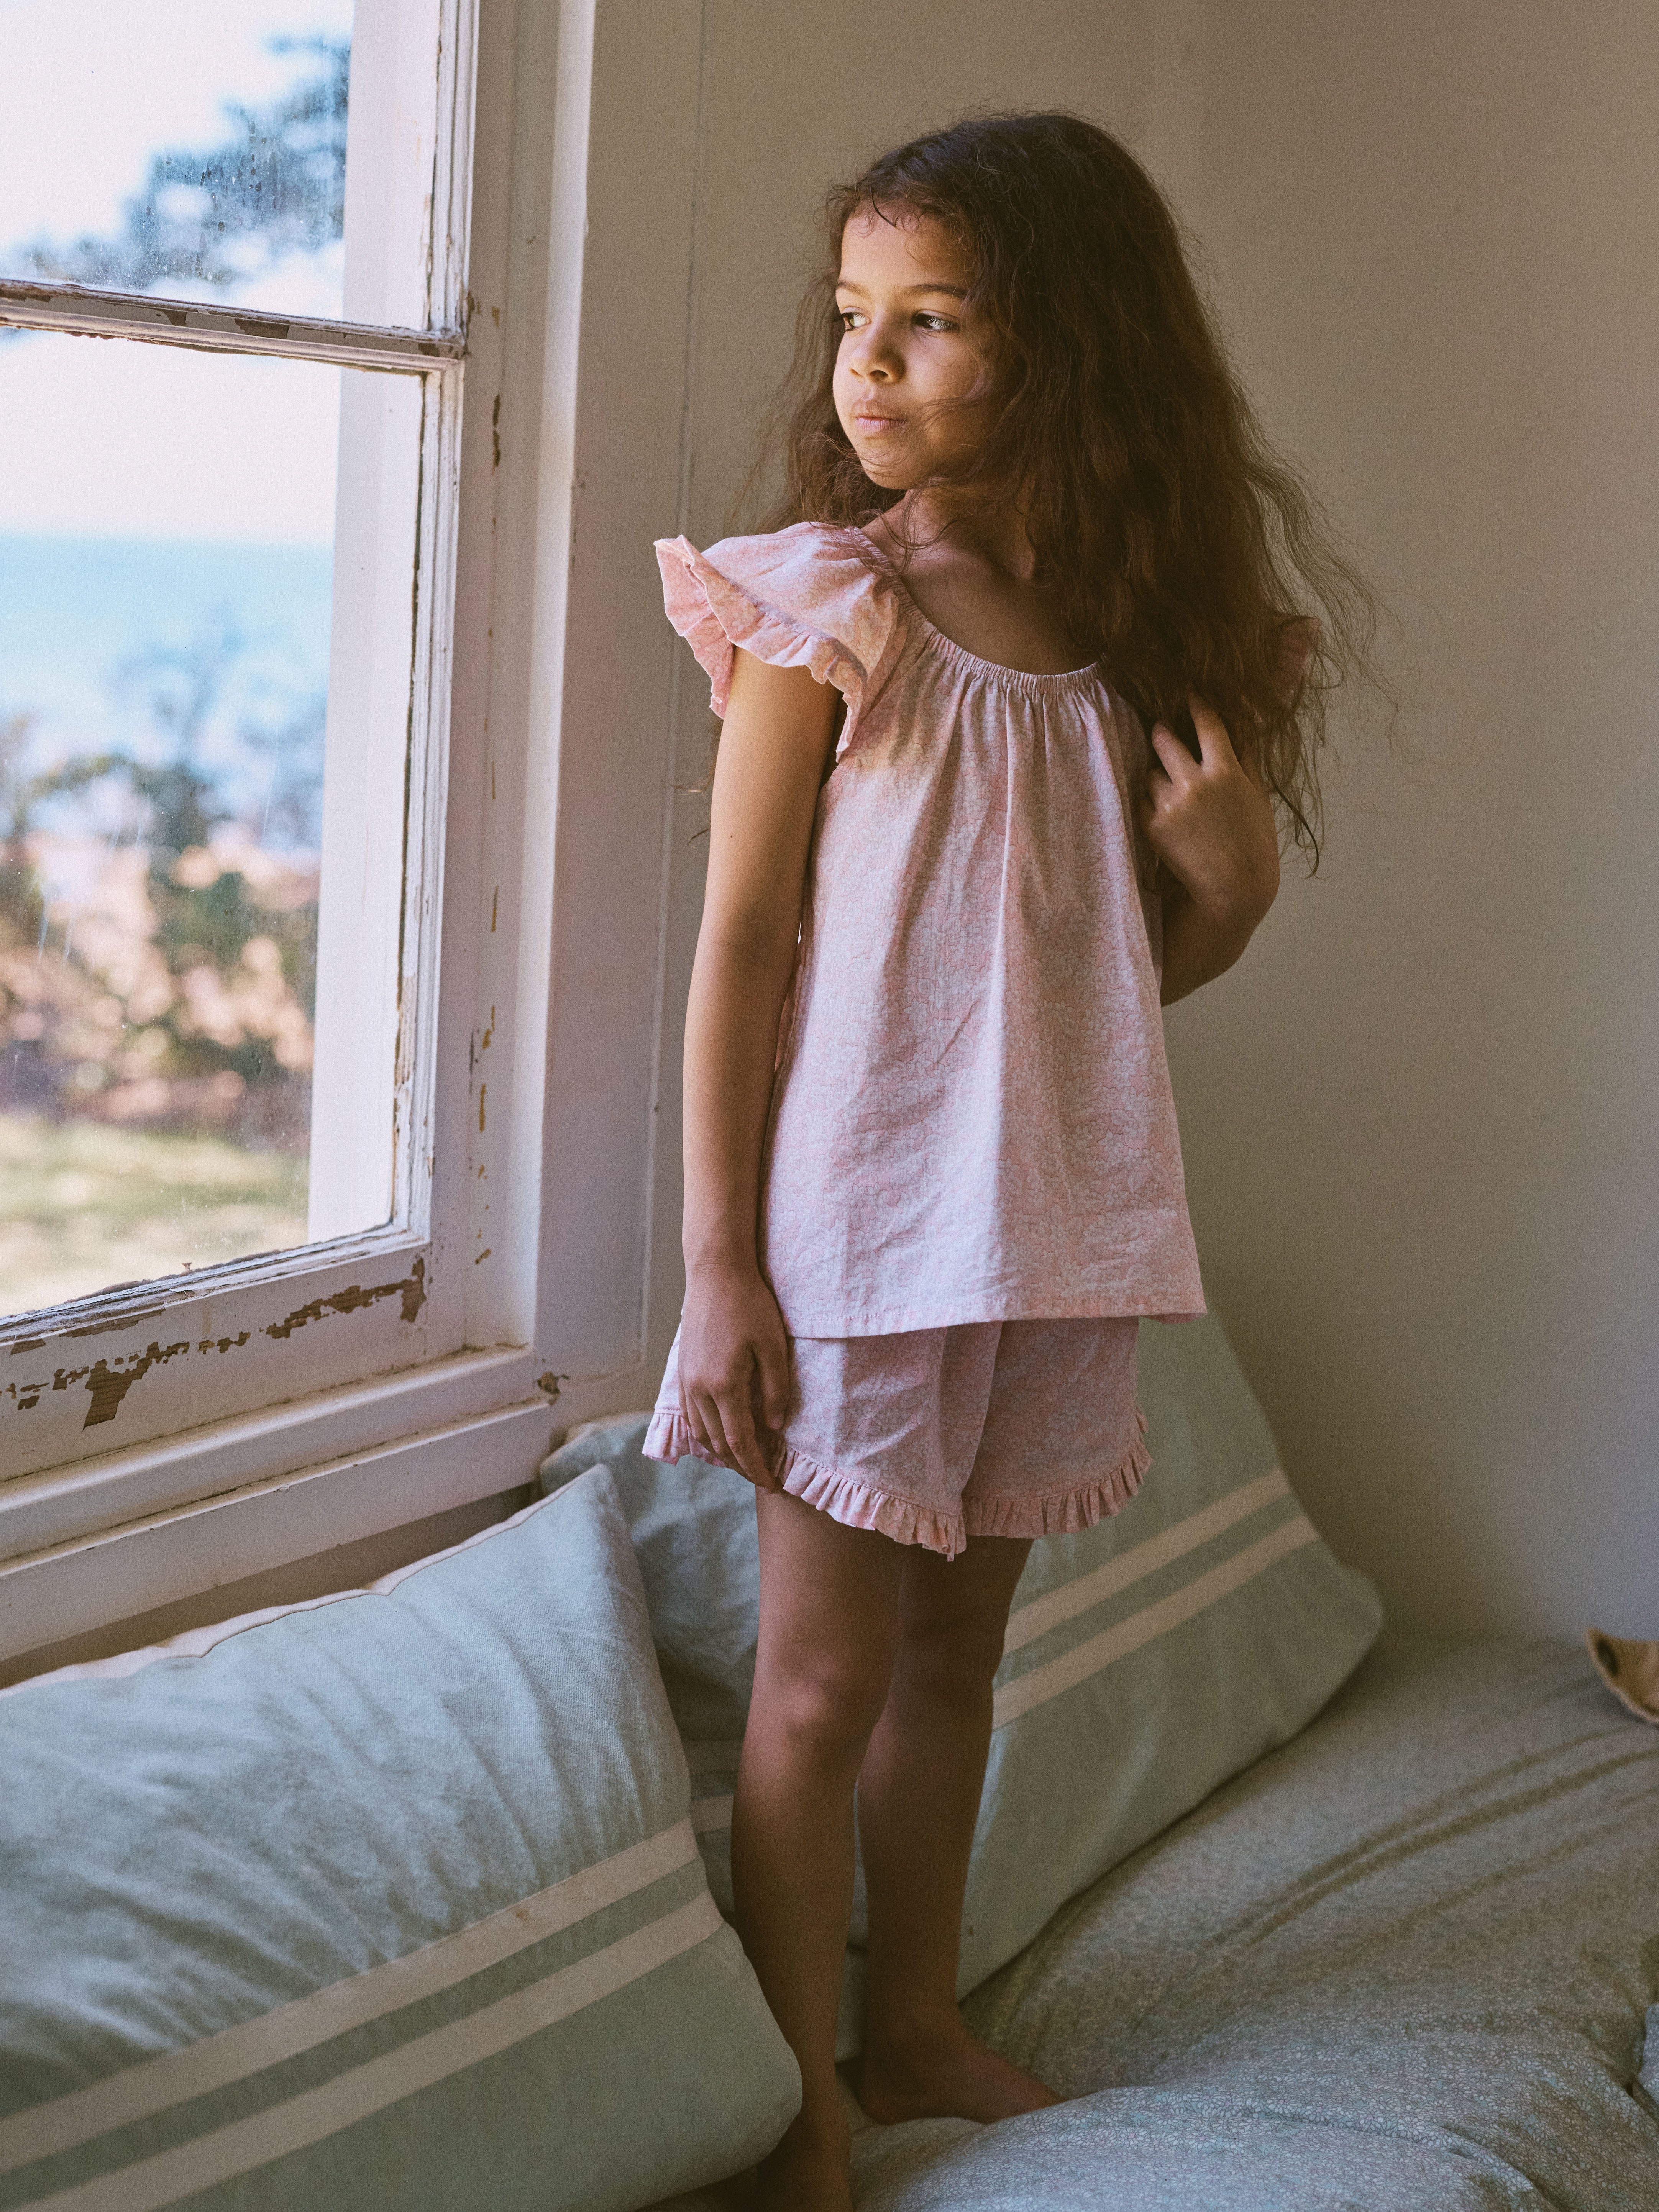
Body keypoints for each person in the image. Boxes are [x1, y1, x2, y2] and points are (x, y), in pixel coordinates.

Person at [644, 112, 1375, 2212]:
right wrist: (722, 1265)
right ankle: (802, 2099)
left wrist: (1227, 895)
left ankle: (918, 2019)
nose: (866, 368)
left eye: (930, 323)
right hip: (850, 1241)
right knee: (819, 1679)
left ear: (1065, 350)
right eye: (857, 320)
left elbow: (1089, 1019)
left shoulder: (1120, 649)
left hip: (1038, 1232)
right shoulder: (827, 613)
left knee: (962, 1659)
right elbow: (744, 948)